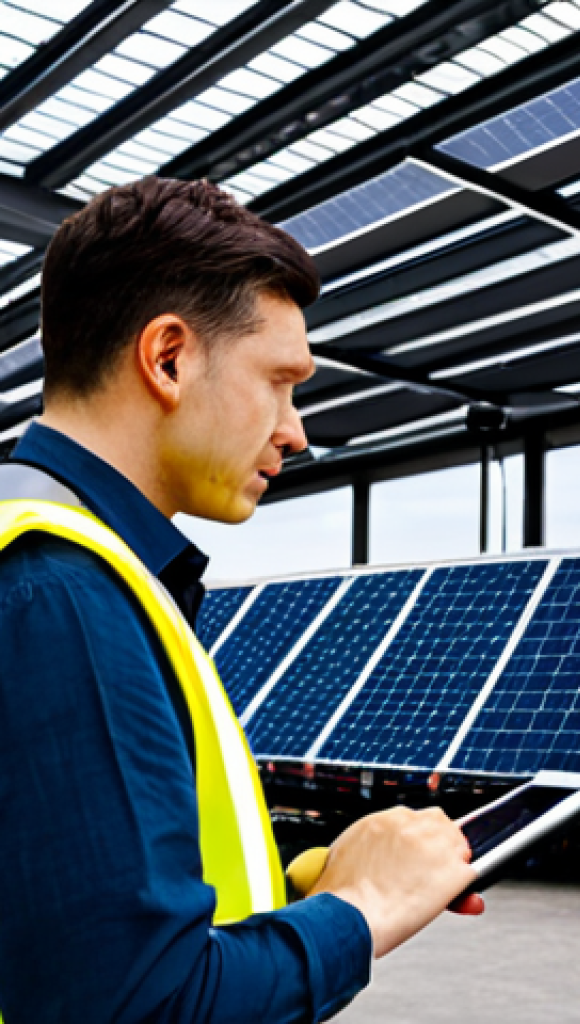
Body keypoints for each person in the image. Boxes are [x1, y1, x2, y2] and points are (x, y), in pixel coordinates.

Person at [0, 177, 482, 1023]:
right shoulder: (62, 591)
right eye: (280, 381)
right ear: (170, 359)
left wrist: (302, 871)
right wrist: (361, 913)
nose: (297, 430)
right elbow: (140, 1008)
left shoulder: (32, 537)